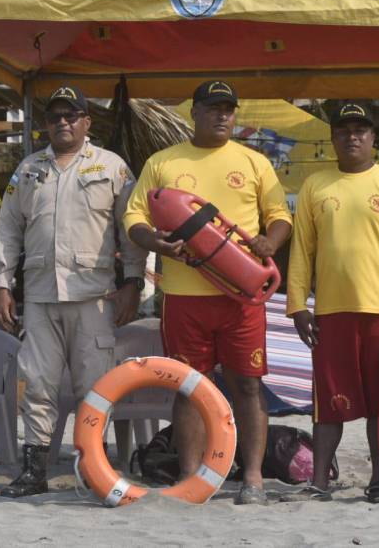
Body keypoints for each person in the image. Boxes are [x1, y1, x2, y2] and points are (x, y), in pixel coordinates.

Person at [123, 80, 292, 506]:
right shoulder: (163, 162)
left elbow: (279, 216)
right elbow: (134, 217)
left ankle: (252, 477)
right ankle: (190, 479)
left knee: (248, 386)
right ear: (194, 112)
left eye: (229, 109)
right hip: (184, 297)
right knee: (187, 387)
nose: (222, 116)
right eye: (213, 108)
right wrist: (156, 244)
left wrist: (270, 242)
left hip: (242, 297)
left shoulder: (254, 162)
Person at [0, 85, 148, 497]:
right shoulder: (27, 170)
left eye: (71, 115)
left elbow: (129, 231)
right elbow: (8, 230)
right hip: (41, 297)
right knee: (37, 383)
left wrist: (133, 282)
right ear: (45, 124)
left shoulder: (111, 167)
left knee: (94, 386)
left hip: (94, 296)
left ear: (86, 122)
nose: (63, 122)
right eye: (55, 116)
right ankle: (34, 470)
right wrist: (1, 284)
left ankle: (93, 467)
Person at [286, 102, 379, 503]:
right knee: (328, 404)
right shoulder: (316, 185)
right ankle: (320, 482)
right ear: (332, 138)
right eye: (344, 130)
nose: (352, 137)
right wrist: (297, 304)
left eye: (360, 130)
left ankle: (378, 479)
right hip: (331, 312)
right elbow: (302, 251)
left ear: (373, 138)